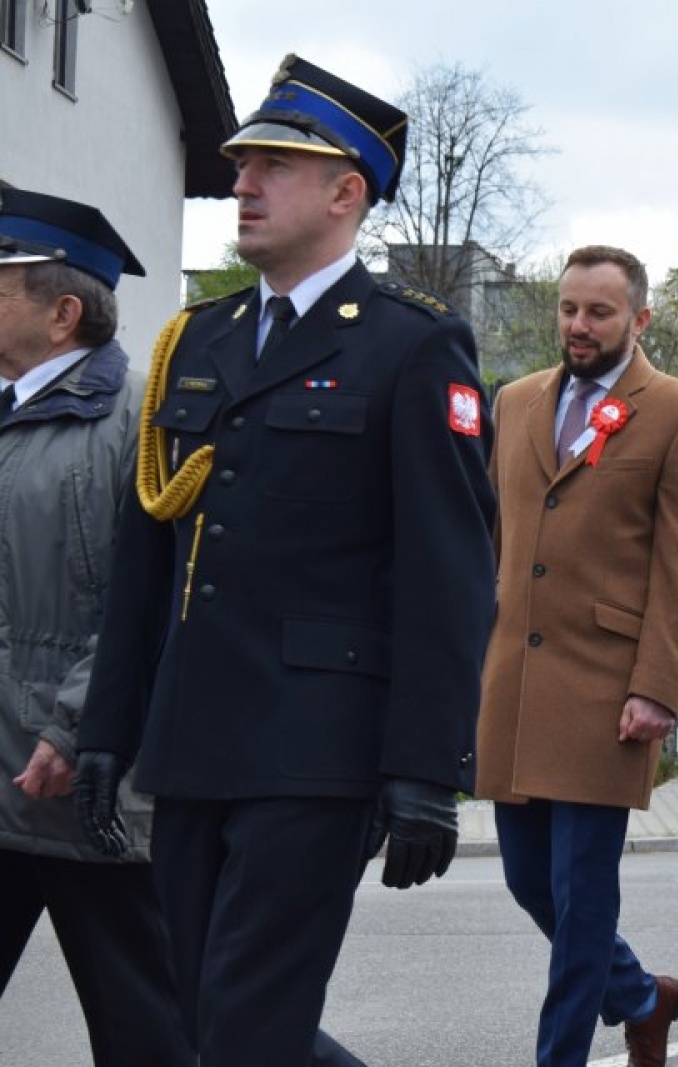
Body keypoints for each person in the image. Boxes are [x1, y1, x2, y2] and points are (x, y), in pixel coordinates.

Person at [72, 55, 497, 1067]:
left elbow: (448, 572)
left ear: (347, 193)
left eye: (273, 166)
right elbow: (150, 552)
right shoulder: (197, 340)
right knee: (195, 1009)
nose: (243, 185)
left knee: (249, 1019)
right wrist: (108, 725)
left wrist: (426, 768)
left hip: (319, 744)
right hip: (191, 735)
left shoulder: (411, 346)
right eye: (240, 165)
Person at [475, 244, 678, 1067]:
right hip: (513, 684)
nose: (579, 326)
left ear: (639, 319)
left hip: (607, 693)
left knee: (582, 901)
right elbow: (497, 541)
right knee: (527, 881)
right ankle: (644, 996)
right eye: (569, 309)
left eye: (599, 312)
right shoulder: (513, 402)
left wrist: (658, 685)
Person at [0, 189, 193, 1065]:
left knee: (147, 1025)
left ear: (62, 312)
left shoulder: (141, 422)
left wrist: (78, 725)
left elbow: (147, 594)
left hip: (82, 783)